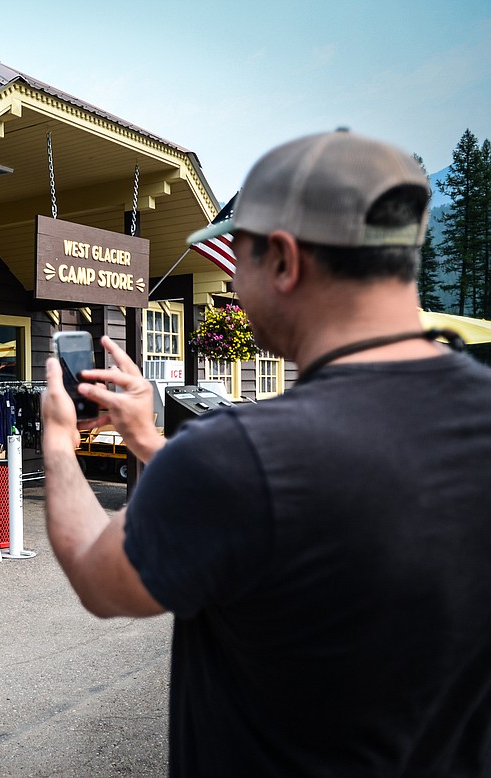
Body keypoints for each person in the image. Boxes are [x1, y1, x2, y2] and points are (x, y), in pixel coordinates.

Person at [42, 130, 491, 776]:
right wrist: (148, 441)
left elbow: (99, 578)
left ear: (283, 260)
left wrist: (59, 441)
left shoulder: (234, 460)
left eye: (237, 261)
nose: (231, 286)